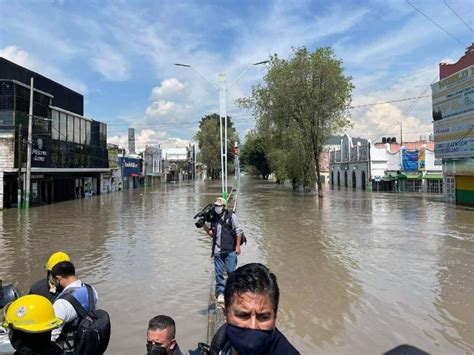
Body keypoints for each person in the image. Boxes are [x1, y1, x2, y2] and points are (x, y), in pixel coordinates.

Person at [210, 263, 299, 355]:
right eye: (243, 315)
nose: (253, 326)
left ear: (275, 317)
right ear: (225, 312)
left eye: (263, 317)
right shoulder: (221, 339)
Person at [49, 261, 98, 353]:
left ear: (58, 278)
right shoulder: (91, 290)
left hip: (71, 350)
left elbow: (52, 335)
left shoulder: (62, 303)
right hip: (89, 346)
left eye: (54, 281)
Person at [203, 197, 244, 304]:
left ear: (224, 207)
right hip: (218, 250)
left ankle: (232, 290)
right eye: (216, 206)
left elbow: (238, 231)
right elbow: (212, 234)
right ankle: (220, 292)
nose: (217, 208)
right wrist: (203, 225)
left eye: (219, 206)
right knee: (219, 273)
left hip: (230, 249)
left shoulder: (231, 217)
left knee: (231, 271)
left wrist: (238, 246)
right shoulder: (214, 218)